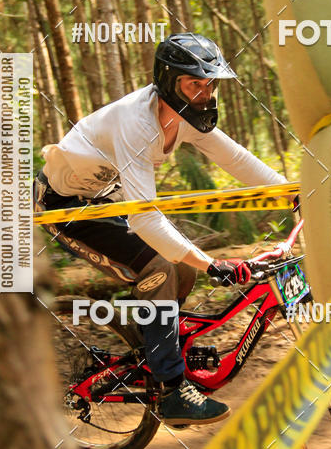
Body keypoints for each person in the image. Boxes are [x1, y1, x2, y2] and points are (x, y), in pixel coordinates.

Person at [34, 32, 286, 425]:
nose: (205, 94)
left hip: (106, 199)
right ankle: (171, 389)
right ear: (169, 81)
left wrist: (291, 192)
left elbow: (235, 159)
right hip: (64, 207)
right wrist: (212, 265)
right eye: (194, 84)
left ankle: (155, 341)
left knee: (181, 267)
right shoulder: (137, 123)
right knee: (161, 269)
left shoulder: (182, 116)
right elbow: (146, 219)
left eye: (210, 85)